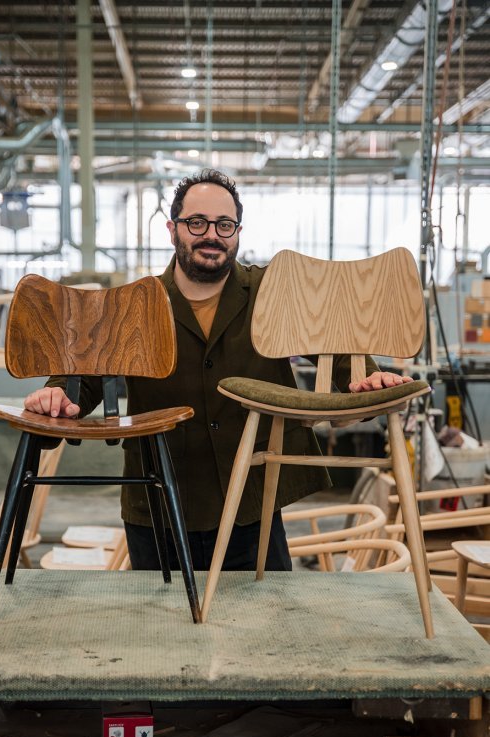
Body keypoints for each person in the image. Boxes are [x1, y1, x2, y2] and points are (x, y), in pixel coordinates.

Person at [24, 169, 412, 572]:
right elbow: (84, 374)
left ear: (238, 231)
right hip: (159, 498)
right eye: (197, 222)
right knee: (157, 626)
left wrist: (366, 379)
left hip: (251, 500)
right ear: (172, 229)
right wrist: (57, 396)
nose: (212, 235)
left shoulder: (271, 292)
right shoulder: (139, 303)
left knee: (260, 625)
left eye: (224, 225)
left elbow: (334, 344)